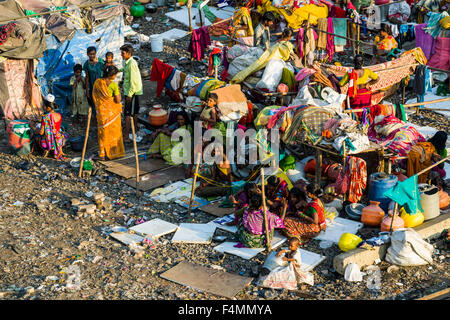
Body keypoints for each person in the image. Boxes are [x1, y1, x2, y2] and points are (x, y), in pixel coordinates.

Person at [91, 65, 125, 161]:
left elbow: (95, 96)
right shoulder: (113, 85)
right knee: (114, 132)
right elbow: (118, 100)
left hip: (102, 113)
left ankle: (102, 154)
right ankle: (115, 152)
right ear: (112, 75)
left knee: (103, 133)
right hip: (112, 113)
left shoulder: (97, 83)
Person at [120, 44, 143, 143]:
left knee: (128, 113)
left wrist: (129, 94)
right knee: (133, 112)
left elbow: (134, 81)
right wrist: (117, 70)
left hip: (132, 92)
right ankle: (135, 131)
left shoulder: (132, 63)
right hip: (130, 91)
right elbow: (125, 70)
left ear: (129, 53)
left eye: (123, 53)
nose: (121, 55)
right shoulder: (127, 62)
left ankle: (126, 135)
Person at [35, 94, 68, 160]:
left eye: (44, 106)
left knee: (36, 136)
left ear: (48, 107)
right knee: (64, 134)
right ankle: (59, 149)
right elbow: (56, 129)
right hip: (59, 141)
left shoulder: (45, 117)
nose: (44, 107)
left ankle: (46, 150)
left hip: (48, 143)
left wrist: (35, 131)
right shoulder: (59, 115)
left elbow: (41, 132)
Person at [83, 46, 105, 116]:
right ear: (87, 54)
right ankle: (95, 118)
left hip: (101, 86)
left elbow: (106, 74)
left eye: (93, 54)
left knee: (101, 102)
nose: (92, 55)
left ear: (96, 53)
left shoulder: (101, 61)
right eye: (90, 54)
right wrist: (87, 89)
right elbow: (87, 77)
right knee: (94, 102)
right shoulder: (87, 64)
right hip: (92, 86)